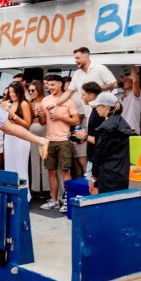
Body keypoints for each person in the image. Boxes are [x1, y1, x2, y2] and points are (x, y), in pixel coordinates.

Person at [37, 74, 79, 212]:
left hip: (64, 140)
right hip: (49, 140)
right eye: (48, 85)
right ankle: (54, 200)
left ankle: (68, 201)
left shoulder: (69, 101)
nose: (50, 87)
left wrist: (59, 116)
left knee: (66, 171)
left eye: (52, 84)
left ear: (61, 85)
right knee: (51, 171)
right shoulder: (45, 100)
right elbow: (43, 122)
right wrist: (40, 114)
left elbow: (76, 121)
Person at [90, 92, 133, 194]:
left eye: (98, 106)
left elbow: (99, 152)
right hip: (122, 171)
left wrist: (94, 172)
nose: (95, 108)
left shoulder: (106, 128)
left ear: (106, 107)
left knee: (106, 203)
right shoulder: (122, 123)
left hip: (107, 173)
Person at [51, 48, 117, 114]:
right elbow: (69, 92)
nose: (76, 61)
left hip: (103, 112)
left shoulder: (100, 68)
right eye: (75, 58)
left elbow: (114, 84)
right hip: (87, 113)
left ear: (86, 57)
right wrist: (55, 104)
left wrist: (97, 88)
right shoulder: (77, 74)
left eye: (78, 58)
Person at [74, 81, 104, 191]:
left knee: (93, 188)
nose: (82, 98)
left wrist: (85, 137)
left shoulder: (99, 113)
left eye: (83, 95)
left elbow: (101, 140)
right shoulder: (94, 110)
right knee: (92, 187)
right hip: (92, 156)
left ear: (91, 95)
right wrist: (83, 138)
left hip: (97, 158)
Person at [2, 82, 32, 185]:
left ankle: (24, 194)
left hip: (21, 137)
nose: (11, 94)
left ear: (19, 92)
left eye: (14, 92)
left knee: (21, 167)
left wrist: (13, 116)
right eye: (10, 92)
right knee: (9, 166)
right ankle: (11, 191)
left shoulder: (24, 104)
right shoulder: (6, 103)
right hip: (9, 137)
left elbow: (27, 124)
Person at [27, 80, 49, 197]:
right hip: (32, 132)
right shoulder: (29, 104)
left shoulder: (45, 102)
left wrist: (40, 114)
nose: (31, 92)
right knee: (34, 160)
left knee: (45, 158)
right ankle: (36, 188)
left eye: (33, 90)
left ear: (39, 90)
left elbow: (44, 121)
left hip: (44, 130)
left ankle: (46, 188)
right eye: (29, 90)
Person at [120, 65, 141, 134]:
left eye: (127, 79)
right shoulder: (119, 96)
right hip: (120, 131)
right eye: (123, 78)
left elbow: (135, 81)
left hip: (131, 131)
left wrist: (132, 63)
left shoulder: (135, 95)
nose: (125, 80)